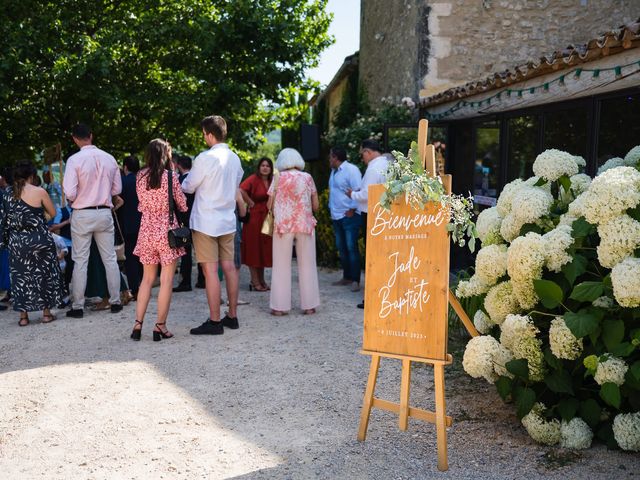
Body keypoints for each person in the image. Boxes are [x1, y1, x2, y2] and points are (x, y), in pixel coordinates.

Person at [183, 115, 243, 335]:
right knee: (230, 267)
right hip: (227, 219)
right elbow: (236, 185)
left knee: (210, 271)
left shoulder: (204, 158)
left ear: (208, 134)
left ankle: (215, 320)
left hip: (206, 220)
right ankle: (232, 316)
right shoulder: (235, 158)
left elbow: (189, 186)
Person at [62, 123, 123, 318]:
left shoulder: (74, 160)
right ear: (91, 135)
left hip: (82, 212)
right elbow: (116, 191)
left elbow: (69, 192)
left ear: (75, 138)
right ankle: (115, 301)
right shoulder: (110, 158)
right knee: (110, 258)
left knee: (80, 260)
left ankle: (78, 306)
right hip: (104, 211)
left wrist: (81, 196)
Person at [130, 139, 188, 341]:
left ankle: (137, 325)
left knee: (146, 280)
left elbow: (140, 204)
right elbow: (182, 205)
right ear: (167, 155)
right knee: (166, 280)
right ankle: (159, 326)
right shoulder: (171, 177)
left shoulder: (139, 176)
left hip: (145, 231)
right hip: (167, 233)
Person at [0, 160, 65, 325]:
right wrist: (38, 221)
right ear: (32, 175)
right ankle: (46, 313)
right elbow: (52, 212)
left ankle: (23, 317)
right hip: (39, 238)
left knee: (20, 277)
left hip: (17, 241)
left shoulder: (7, 193)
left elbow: (5, 219)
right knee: (43, 275)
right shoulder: (40, 191)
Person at [268, 148, 320, 315]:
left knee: (281, 266)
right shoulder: (308, 177)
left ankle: (279, 308)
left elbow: (269, 204)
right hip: (304, 224)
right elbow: (316, 205)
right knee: (308, 265)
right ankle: (309, 306)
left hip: (283, 225)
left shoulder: (277, 177)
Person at [346, 139, 389, 309]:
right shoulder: (387, 164)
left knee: (372, 258)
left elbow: (367, 194)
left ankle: (372, 298)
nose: (362, 157)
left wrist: (352, 195)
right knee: (382, 258)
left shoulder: (373, 167)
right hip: (385, 214)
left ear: (368, 152)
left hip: (372, 215)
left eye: (362, 153)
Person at [328, 146, 362, 292]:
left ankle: (355, 279)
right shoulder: (333, 171)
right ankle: (347, 277)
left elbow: (358, 189)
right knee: (341, 247)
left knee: (351, 247)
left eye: (330, 157)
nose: (329, 160)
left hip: (349, 215)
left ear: (335, 157)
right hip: (336, 215)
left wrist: (353, 209)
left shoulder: (351, 170)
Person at [239, 157, 273, 291]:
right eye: (263, 165)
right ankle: (254, 281)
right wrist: (250, 202)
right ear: (259, 167)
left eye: (268, 166)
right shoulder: (253, 179)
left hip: (267, 217)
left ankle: (262, 280)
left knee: (263, 249)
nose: (265, 168)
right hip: (254, 218)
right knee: (254, 249)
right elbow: (241, 190)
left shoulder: (272, 180)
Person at [173, 155, 199, 292]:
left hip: (183, 220)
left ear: (179, 165)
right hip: (198, 219)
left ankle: (185, 281)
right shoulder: (196, 181)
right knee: (200, 251)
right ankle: (202, 279)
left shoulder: (179, 181)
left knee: (186, 252)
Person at [119, 155, 143, 299]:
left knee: (130, 257)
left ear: (125, 167)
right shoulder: (143, 182)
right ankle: (145, 282)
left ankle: (135, 288)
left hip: (127, 224)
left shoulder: (122, 182)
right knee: (143, 256)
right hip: (144, 223)